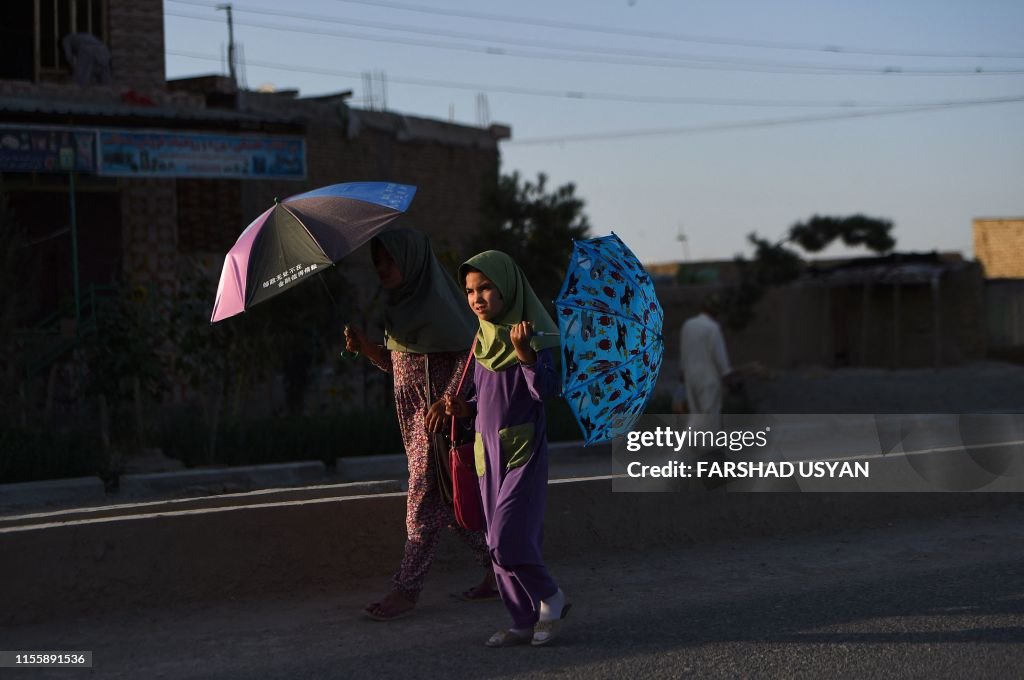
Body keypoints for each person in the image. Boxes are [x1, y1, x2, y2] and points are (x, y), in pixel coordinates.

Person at [343, 227, 495, 621]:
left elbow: (470, 357)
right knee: (448, 508)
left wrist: (448, 402)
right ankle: (503, 568)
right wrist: (366, 348)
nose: (383, 268)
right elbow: (399, 368)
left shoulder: (441, 307)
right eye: (378, 262)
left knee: (418, 509)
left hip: (438, 428)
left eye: (391, 259)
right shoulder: (401, 308)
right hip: (412, 429)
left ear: (411, 259)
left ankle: (405, 591)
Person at [445, 250, 571, 647]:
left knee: (506, 537)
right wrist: (464, 408)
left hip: (521, 451)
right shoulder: (480, 341)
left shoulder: (533, 335)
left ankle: (551, 596)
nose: (477, 297)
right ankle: (522, 619)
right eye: (469, 290)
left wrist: (526, 355)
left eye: (485, 288)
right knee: (493, 542)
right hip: (486, 453)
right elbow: (485, 401)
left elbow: (545, 391)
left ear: (508, 288)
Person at [679, 295, 733, 427]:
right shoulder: (712, 327)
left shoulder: (688, 324)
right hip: (708, 377)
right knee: (710, 412)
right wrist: (726, 374)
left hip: (690, 375)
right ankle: (708, 445)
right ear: (716, 312)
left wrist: (682, 370)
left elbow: (683, 349)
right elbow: (719, 354)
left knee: (695, 412)